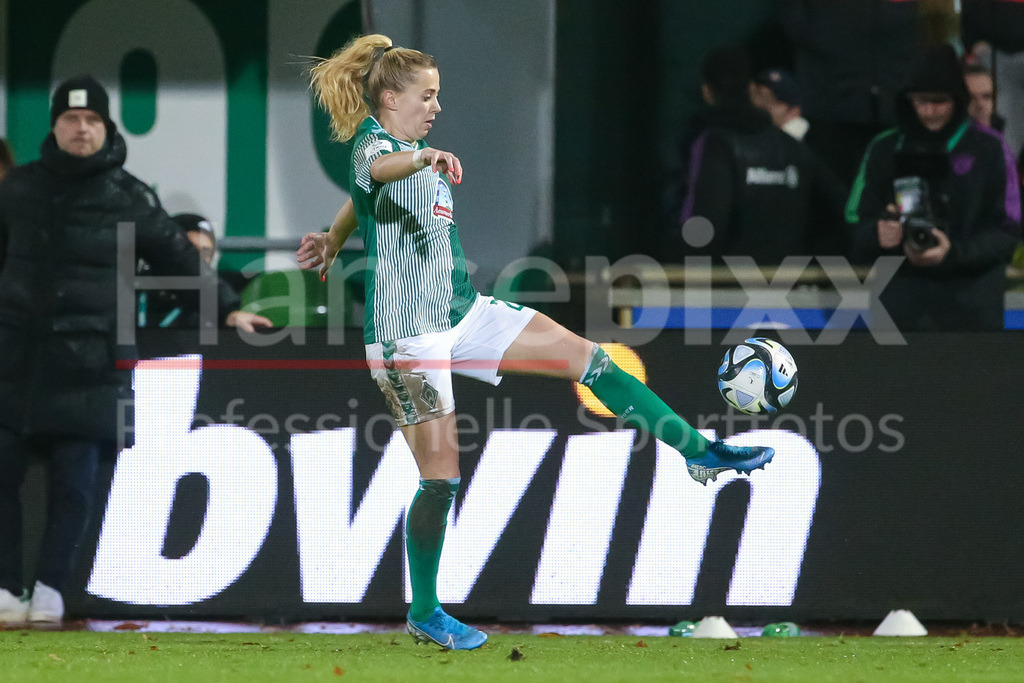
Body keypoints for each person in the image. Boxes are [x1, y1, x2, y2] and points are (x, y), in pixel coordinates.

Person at [297, 34, 775, 650]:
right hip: (405, 337)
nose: (437, 106)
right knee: (440, 480)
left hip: (461, 313)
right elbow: (375, 173)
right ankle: (423, 608)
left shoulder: (412, 152)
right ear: (390, 97)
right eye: (428, 95)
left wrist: (334, 240)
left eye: (439, 95)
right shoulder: (381, 146)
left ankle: (695, 449)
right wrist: (421, 160)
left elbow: (360, 199)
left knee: (590, 359)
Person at [0, 76, 271, 628]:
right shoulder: (17, 190)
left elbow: (180, 259)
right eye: (71, 119)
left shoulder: (130, 196)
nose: (81, 128)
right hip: (14, 360)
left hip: (91, 364)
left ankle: (50, 588)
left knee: (76, 485)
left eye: (91, 120)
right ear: (54, 126)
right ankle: (6, 589)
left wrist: (223, 309)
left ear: (106, 127)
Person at [846, 46, 1022, 331]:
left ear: (957, 99)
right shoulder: (884, 148)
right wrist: (878, 233)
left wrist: (954, 253)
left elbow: (1010, 227)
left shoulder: (990, 148)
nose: (929, 111)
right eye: (920, 101)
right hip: (899, 305)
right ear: (907, 100)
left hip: (973, 305)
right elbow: (854, 219)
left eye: (939, 101)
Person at [675, 46, 848, 264]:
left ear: (707, 92)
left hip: (726, 287)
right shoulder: (792, 147)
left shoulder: (712, 144)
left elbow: (705, 223)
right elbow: (842, 206)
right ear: (749, 88)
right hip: (785, 284)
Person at [138, 212, 234, 328]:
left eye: (207, 251)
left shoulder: (216, 307)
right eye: (192, 249)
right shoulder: (130, 291)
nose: (200, 258)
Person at [749, 68, 809, 141]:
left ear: (793, 112)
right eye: (759, 94)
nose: (759, 106)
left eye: (771, 101)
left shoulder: (802, 139)